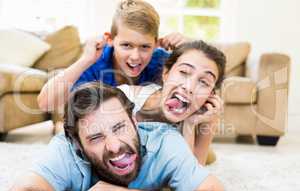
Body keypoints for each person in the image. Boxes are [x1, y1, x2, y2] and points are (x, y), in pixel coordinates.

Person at [2, 83, 230, 191]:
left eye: (119, 127)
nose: (114, 146)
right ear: (78, 144)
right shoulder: (65, 148)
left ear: (133, 121)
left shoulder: (166, 143)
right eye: (96, 137)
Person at [37, 0, 188, 112]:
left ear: (156, 43)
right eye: (126, 45)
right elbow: (45, 104)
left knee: (204, 154)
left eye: (144, 47)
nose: (135, 57)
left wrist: (188, 53)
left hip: (147, 128)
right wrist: (85, 60)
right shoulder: (96, 63)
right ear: (110, 39)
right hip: (109, 131)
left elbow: (203, 91)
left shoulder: (161, 60)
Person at [118, 40, 226, 165]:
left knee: (209, 158)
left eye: (204, 82)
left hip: (189, 145)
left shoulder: (207, 117)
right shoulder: (125, 97)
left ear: (210, 94)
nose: (189, 87)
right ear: (166, 74)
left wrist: (190, 124)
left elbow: (189, 177)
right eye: (184, 72)